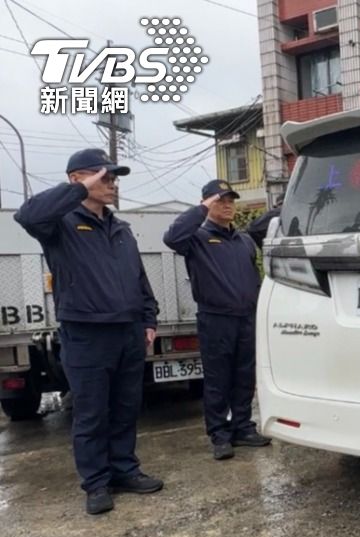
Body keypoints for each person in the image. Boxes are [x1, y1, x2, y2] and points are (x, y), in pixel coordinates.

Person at [13, 149, 164, 515]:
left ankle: (124, 470)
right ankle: (96, 483)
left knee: (126, 407)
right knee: (92, 412)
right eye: (104, 177)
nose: (112, 184)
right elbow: (26, 214)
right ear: (77, 180)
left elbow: (137, 277)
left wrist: (148, 319)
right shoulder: (59, 223)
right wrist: (80, 189)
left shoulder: (120, 227)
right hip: (86, 334)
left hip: (128, 332)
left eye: (113, 178)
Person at [164, 180, 272, 461]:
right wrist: (201, 208)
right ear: (207, 204)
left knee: (244, 376)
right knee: (218, 379)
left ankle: (242, 428)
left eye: (230, 200)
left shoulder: (243, 239)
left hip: (245, 317)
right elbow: (172, 237)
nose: (227, 205)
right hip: (216, 319)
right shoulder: (196, 238)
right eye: (220, 200)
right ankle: (219, 435)